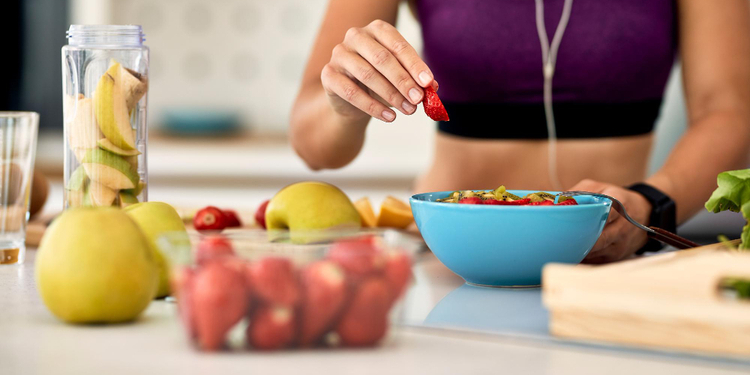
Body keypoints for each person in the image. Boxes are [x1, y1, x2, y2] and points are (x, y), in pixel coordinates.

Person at [290, 0, 750, 263]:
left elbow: (729, 111)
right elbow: (313, 144)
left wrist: (652, 202)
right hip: (447, 264)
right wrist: (343, 102)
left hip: (609, 259)